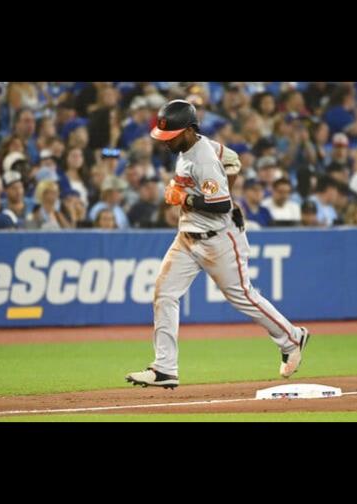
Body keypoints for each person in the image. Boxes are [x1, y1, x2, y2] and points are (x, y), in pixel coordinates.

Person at [126, 99, 310, 389]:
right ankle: (164, 368)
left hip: (217, 240)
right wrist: (209, 187)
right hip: (187, 238)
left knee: (244, 297)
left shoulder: (203, 158)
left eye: (171, 136)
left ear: (188, 130)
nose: (166, 143)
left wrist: (184, 197)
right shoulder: (200, 146)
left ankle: (292, 338)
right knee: (164, 293)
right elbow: (233, 159)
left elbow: (222, 204)